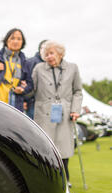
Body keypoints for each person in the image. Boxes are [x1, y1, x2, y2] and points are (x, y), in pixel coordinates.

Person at [32, 40, 83, 185]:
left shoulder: (73, 68)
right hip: (43, 112)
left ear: (60, 54)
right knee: (45, 146)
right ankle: (46, 177)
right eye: (46, 54)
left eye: (51, 53)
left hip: (65, 113)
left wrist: (75, 110)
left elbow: (77, 91)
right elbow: (32, 88)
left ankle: (64, 178)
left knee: (63, 146)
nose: (48, 56)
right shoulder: (38, 68)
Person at [23, 39, 48, 119]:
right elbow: (25, 82)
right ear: (39, 49)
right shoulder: (31, 62)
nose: (45, 51)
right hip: (33, 103)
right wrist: (24, 100)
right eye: (43, 48)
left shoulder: (53, 64)